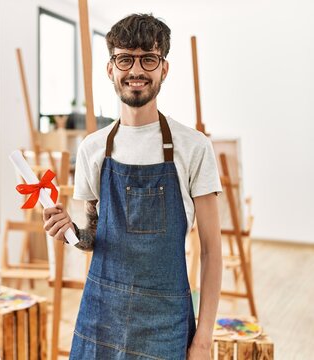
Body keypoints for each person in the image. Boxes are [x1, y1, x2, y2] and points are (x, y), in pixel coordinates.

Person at [43, 13, 222, 360]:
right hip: (102, 315)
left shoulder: (193, 147)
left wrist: (202, 340)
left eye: (148, 59)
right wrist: (71, 231)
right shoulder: (93, 149)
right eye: (125, 58)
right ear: (111, 68)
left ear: (163, 69)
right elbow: (93, 237)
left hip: (165, 319)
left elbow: (213, 251)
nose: (136, 71)